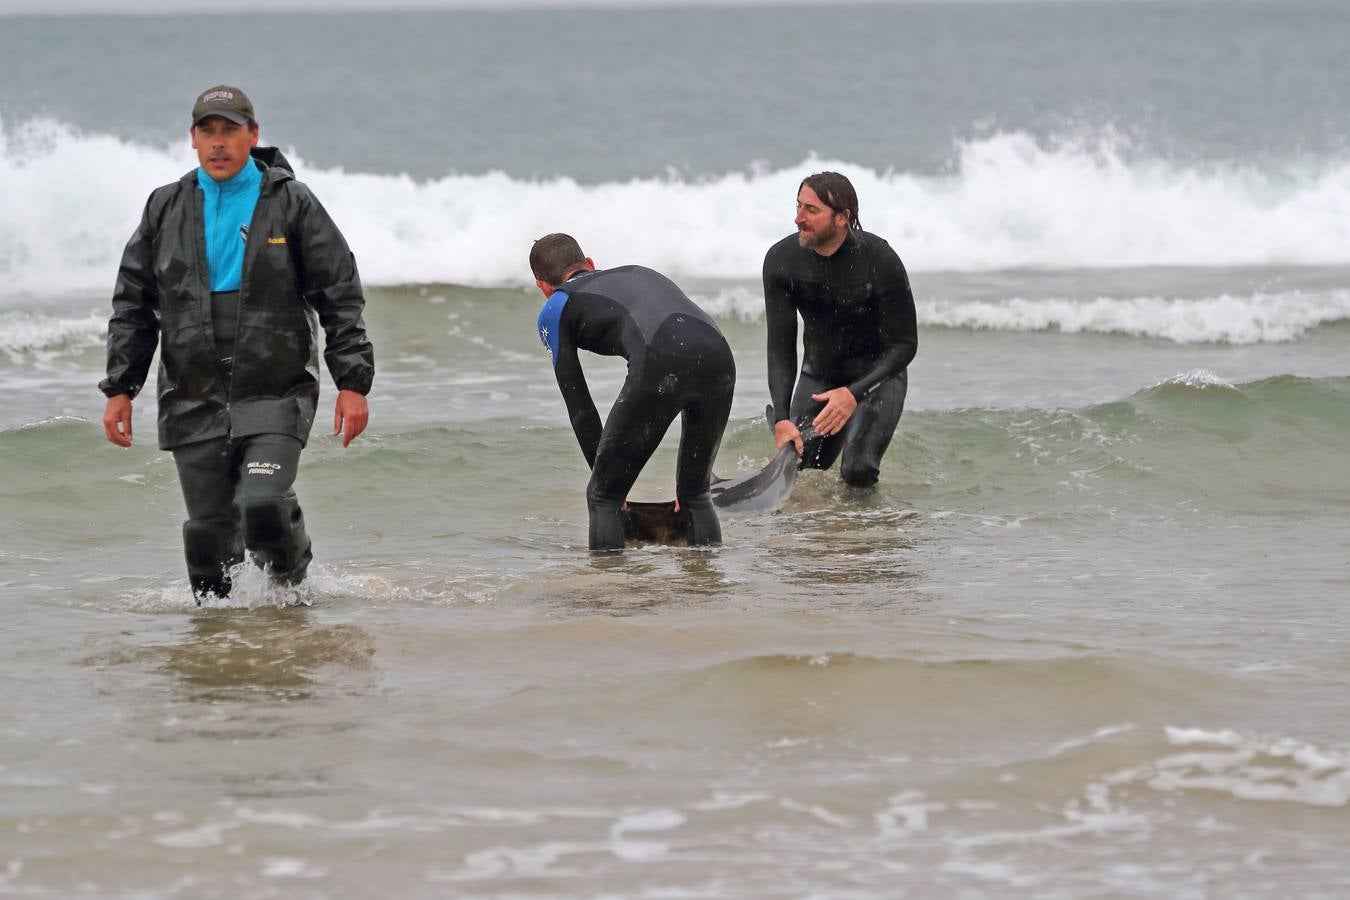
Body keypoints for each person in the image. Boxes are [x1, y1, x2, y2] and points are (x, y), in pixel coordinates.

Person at [100, 85, 374, 600]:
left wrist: (353, 383)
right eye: (208, 131)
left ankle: (294, 601)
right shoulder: (166, 207)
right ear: (193, 138)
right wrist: (120, 387)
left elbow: (339, 293)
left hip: (275, 387)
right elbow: (134, 304)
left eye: (230, 130)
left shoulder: (289, 201)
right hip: (192, 393)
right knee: (206, 539)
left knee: (263, 505)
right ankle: (221, 653)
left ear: (253, 135)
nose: (219, 143)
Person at [530, 233, 735, 552]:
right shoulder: (638, 272)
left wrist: (608, 482)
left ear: (542, 287)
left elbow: (579, 406)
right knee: (694, 495)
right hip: (720, 355)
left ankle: (611, 593)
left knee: (602, 497)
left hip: (661, 358)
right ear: (591, 264)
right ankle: (708, 585)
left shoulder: (557, 306)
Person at [763, 171, 918, 488]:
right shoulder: (782, 260)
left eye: (811, 210)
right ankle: (820, 531)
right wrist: (781, 417)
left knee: (857, 471)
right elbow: (780, 346)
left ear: (842, 217)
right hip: (819, 375)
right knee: (799, 469)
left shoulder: (879, 260)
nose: (798, 219)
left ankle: (863, 535)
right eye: (798, 206)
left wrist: (853, 394)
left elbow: (905, 344)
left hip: (877, 377)